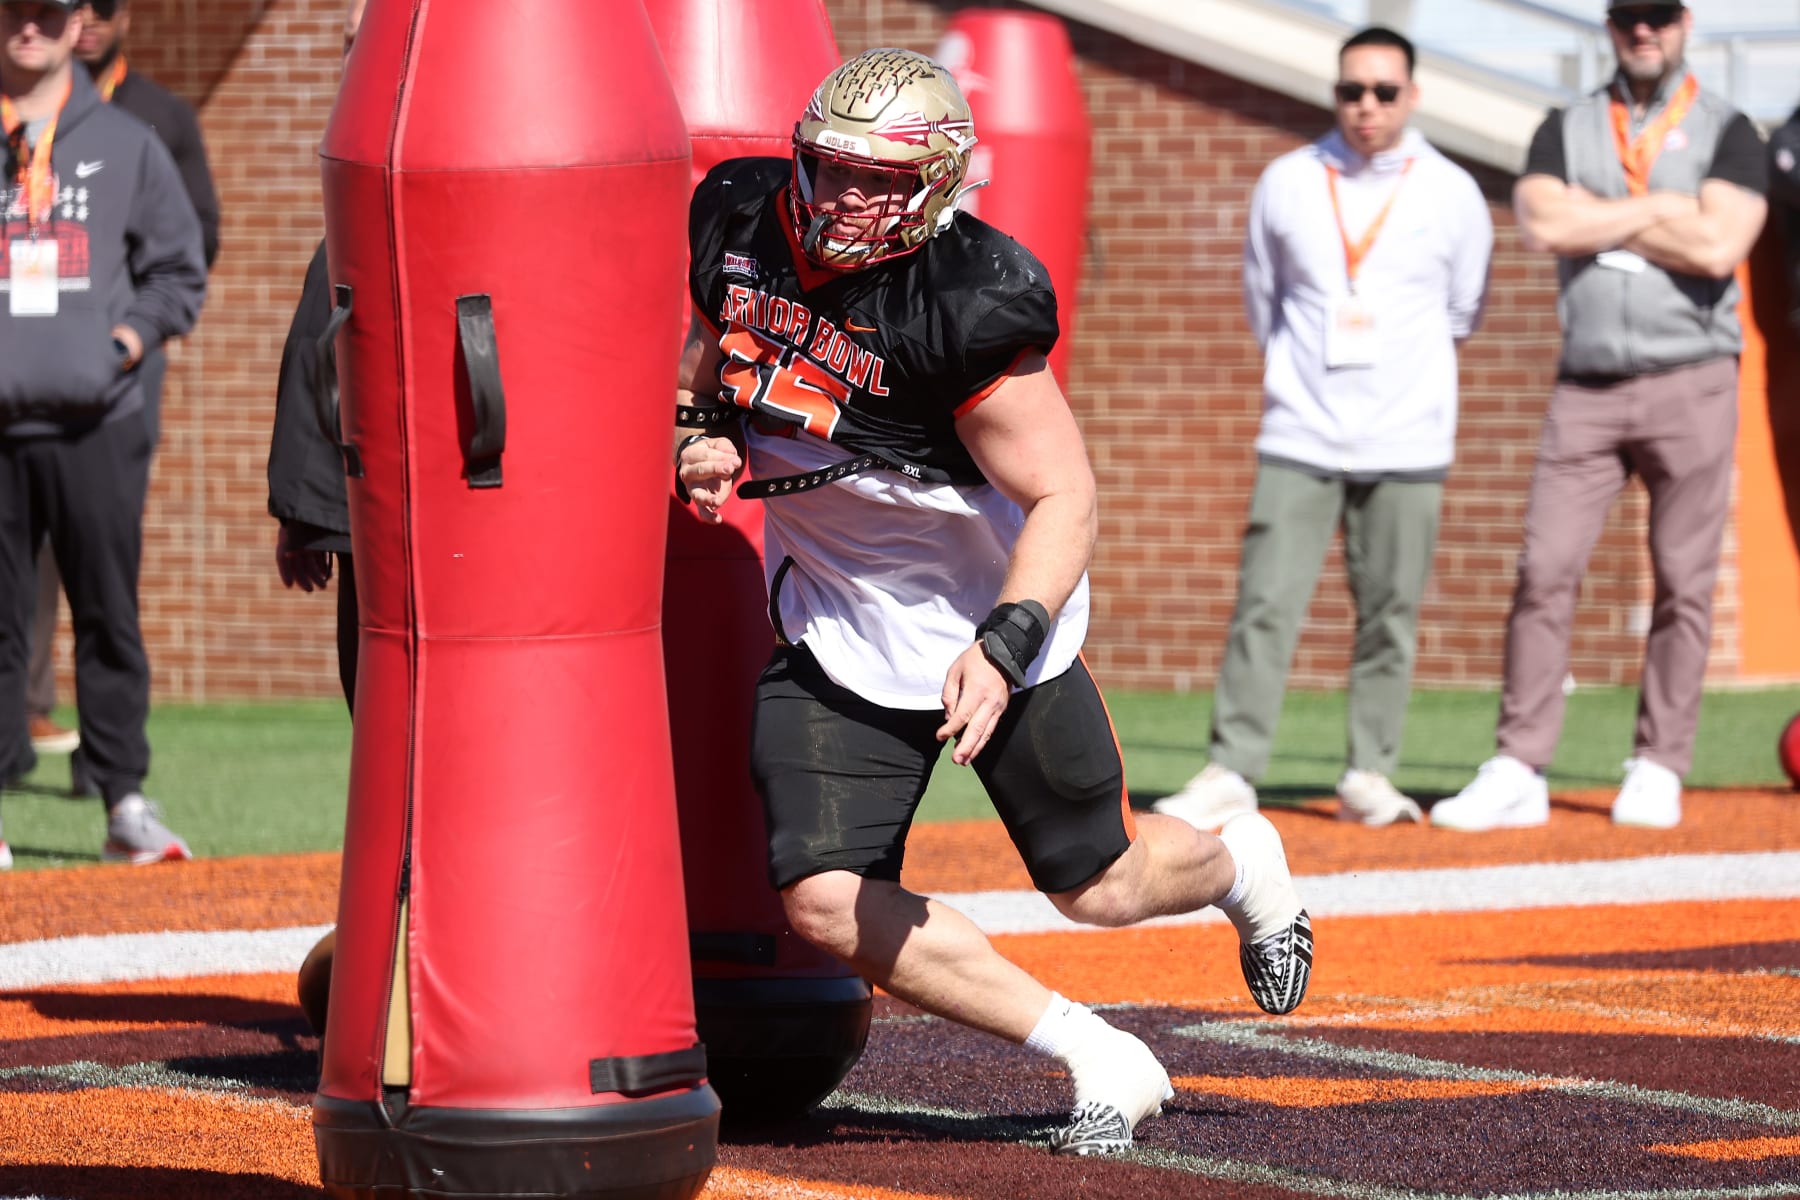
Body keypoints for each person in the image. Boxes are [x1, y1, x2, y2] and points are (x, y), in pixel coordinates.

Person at [674, 47, 1313, 1156]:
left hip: (988, 613)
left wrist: (1003, 644)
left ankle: (1241, 864)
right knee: (824, 898)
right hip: (836, 617)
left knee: (1100, 887)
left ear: (936, 183)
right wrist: (703, 435)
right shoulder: (736, 217)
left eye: (880, 179)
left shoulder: (966, 295)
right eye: (831, 169)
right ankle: (1096, 1051)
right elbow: (710, 363)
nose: (845, 199)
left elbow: (1065, 492)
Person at [1433, 0, 1767, 832]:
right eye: (1627, 16)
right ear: (1610, 26)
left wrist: (1607, 214)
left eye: (1657, 14)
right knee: (1544, 568)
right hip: (1585, 385)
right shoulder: (1566, 125)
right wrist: (1664, 207)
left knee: (1684, 583)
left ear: (1684, 21)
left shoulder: (1731, 130)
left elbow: (1721, 247)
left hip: (1693, 377)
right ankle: (1520, 764)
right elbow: (1546, 223)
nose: (1642, 29)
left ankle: (1658, 763)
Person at [1153, 27, 1492, 832]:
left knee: (1390, 612)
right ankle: (1233, 769)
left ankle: (1369, 774)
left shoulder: (1453, 192)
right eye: (1351, 90)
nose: (1366, 106)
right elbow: (1262, 300)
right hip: (1301, 430)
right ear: (1334, 94)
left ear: (1411, 95)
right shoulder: (1288, 181)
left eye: (1383, 91)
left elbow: (1462, 311)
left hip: (1409, 438)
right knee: (1265, 602)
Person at [0, 0, 207, 869]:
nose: (30, 24)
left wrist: (121, 344)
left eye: (49, 8)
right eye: (14, 6)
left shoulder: (127, 142)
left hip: (98, 422)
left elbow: (177, 266)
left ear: (78, 19)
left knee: (107, 616)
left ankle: (123, 800)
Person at [267, 0, 366, 714]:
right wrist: (306, 516)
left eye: (366, 44)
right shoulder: (351, 221)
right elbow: (318, 355)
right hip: (367, 524)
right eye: (346, 45)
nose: (350, 64)